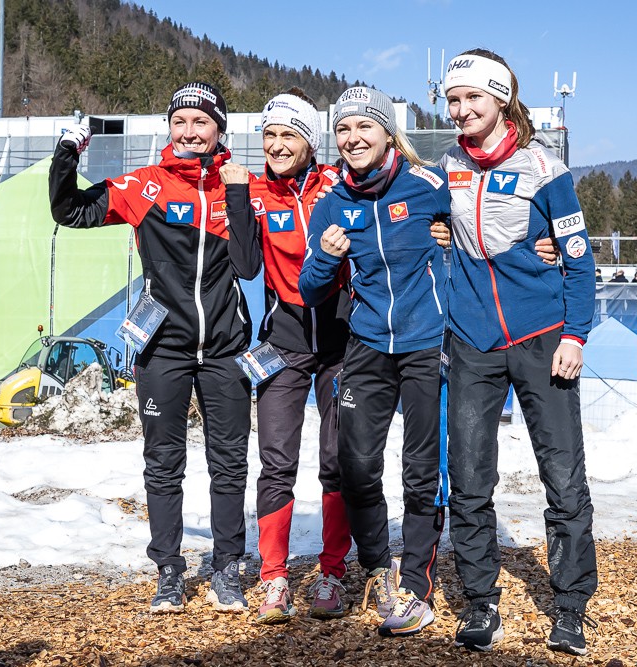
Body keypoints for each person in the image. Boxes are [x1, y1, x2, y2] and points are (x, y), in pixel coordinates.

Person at [49, 81, 257, 615]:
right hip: (163, 348)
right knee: (163, 462)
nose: (189, 132)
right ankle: (168, 569)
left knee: (229, 463)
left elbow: (250, 263)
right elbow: (69, 210)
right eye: (179, 121)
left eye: (201, 122)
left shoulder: (242, 186)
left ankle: (227, 567)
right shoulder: (146, 185)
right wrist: (68, 152)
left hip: (225, 348)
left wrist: (236, 194)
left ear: (220, 130)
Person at [440, 49, 597, 655]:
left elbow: (580, 261)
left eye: (472, 98)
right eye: (453, 100)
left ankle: (571, 606)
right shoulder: (446, 167)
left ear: (501, 99)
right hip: (472, 341)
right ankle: (480, 601)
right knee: (468, 478)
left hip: (542, 338)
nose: (461, 110)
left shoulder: (545, 168)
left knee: (563, 476)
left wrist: (575, 335)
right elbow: (411, 217)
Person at [299, 86, 450, 638]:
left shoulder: (430, 185)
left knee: (421, 469)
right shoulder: (332, 202)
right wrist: (326, 256)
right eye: (343, 129)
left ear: (388, 133)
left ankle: (415, 585)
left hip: (425, 342)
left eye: (364, 126)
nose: (353, 138)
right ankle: (378, 567)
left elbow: (482, 236)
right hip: (365, 344)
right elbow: (310, 288)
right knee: (356, 465)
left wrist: (542, 249)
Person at [221, 89, 356, 624]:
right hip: (285, 343)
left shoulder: (338, 183)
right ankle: (274, 577)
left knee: (338, 459)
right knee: (277, 461)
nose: (276, 145)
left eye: (288, 135)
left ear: (311, 142)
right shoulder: (255, 192)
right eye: (269, 135)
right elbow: (246, 266)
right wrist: (236, 197)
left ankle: (332, 572)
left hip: (341, 342)